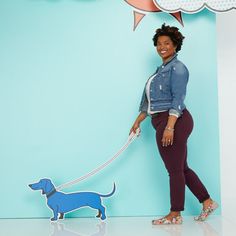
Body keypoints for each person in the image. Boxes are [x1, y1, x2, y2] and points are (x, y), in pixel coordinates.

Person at [130, 24, 218, 225]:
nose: (162, 47)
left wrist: (169, 127)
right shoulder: (160, 70)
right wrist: (138, 120)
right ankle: (207, 202)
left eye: (167, 43)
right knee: (181, 168)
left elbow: (178, 98)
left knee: (175, 170)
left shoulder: (178, 68)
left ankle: (175, 213)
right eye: (159, 43)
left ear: (175, 45)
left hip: (175, 120)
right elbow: (150, 101)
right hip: (162, 120)